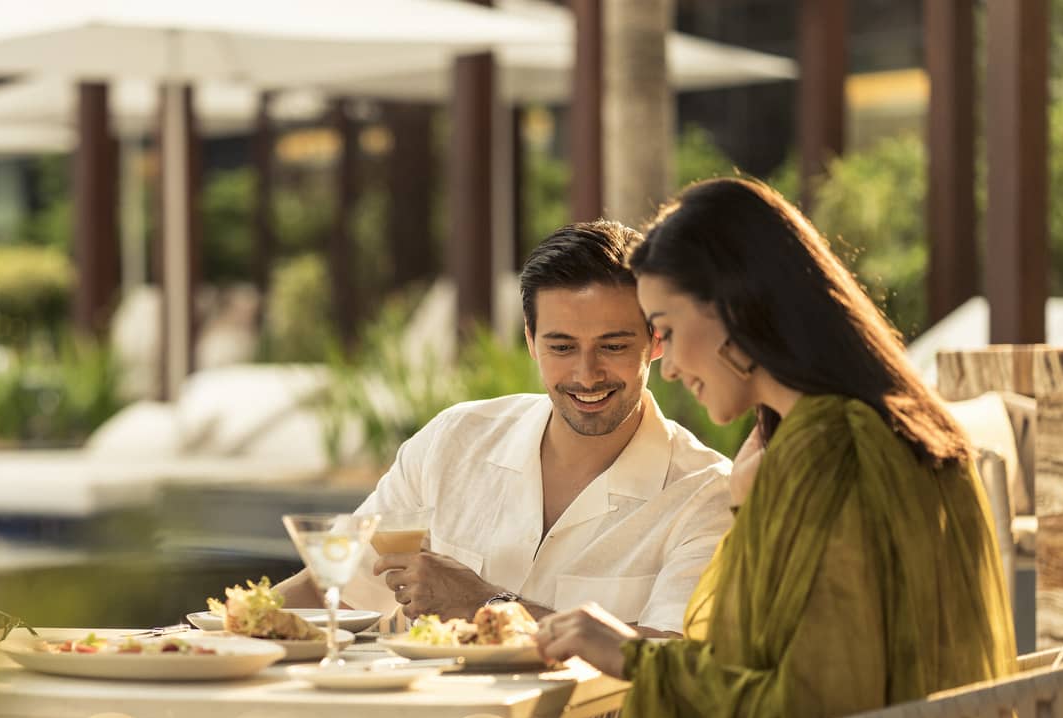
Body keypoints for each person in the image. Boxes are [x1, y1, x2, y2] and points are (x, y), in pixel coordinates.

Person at [534, 178, 1015, 718]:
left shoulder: (834, 449)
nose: (671, 366)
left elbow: (816, 709)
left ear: (738, 310)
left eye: (667, 331)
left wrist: (629, 654)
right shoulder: (858, 428)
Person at [277, 221, 733, 635]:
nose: (587, 373)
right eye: (562, 346)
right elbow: (330, 589)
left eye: (612, 346)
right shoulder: (454, 440)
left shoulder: (705, 494)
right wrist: (214, 636)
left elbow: (675, 665)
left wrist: (486, 603)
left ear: (655, 341)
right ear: (531, 341)